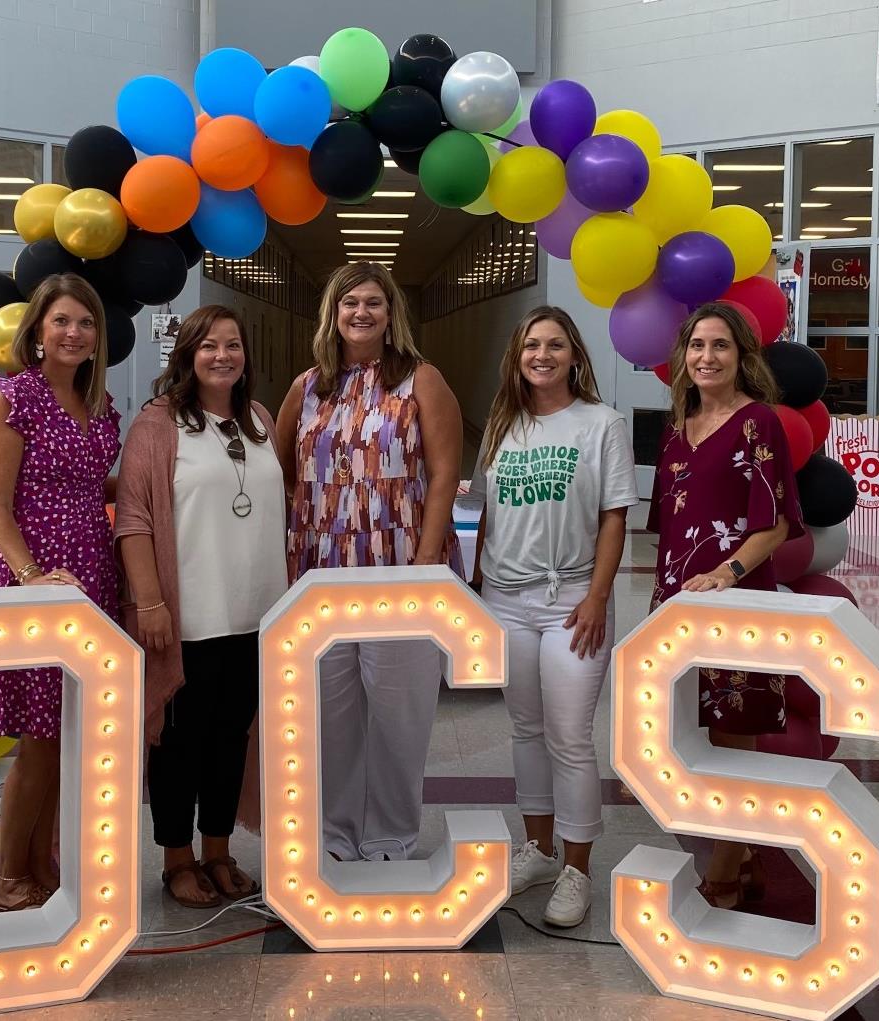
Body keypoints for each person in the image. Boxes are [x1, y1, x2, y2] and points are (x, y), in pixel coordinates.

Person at [276, 262, 463, 863]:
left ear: (391, 315)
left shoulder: (421, 380)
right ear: (332, 314)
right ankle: (332, 836)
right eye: (349, 302)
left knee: (398, 716)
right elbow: (278, 472)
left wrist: (428, 561)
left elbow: (443, 475)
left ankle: (390, 835)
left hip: (400, 569)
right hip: (320, 576)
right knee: (328, 715)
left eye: (374, 303)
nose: (361, 312)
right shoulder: (306, 388)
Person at [470, 306, 637, 928]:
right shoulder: (501, 425)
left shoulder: (602, 424)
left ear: (575, 356)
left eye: (555, 345)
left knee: (569, 737)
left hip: (572, 601)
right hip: (506, 600)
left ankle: (577, 868)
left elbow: (614, 516)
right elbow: (488, 512)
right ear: (518, 355)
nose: (542, 355)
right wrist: (480, 583)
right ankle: (537, 849)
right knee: (525, 730)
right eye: (531, 345)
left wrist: (595, 596)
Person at [116, 305, 286, 907]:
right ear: (186, 355)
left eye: (233, 345)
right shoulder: (158, 425)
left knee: (231, 738)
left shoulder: (259, 421)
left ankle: (218, 850)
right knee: (179, 743)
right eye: (208, 345)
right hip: (186, 616)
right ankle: (176, 858)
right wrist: (151, 602)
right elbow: (134, 519)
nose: (222, 356)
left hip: (256, 616)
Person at [0, 272, 121, 911]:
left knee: (70, 733)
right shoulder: (13, 396)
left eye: (85, 322)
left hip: (93, 579)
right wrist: (32, 577)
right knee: (38, 740)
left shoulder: (100, 403)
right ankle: (8, 873)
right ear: (38, 329)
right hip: (38, 579)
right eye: (62, 320)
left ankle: (43, 863)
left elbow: (94, 487)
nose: (74, 332)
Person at [649, 301, 804, 909]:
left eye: (720, 346)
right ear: (682, 358)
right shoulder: (676, 429)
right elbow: (669, 525)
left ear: (742, 357)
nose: (706, 357)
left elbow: (774, 524)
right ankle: (743, 849)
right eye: (696, 346)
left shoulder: (756, 423)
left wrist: (726, 573)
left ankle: (726, 867)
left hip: (734, 601)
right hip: (675, 604)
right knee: (684, 732)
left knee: (733, 732)